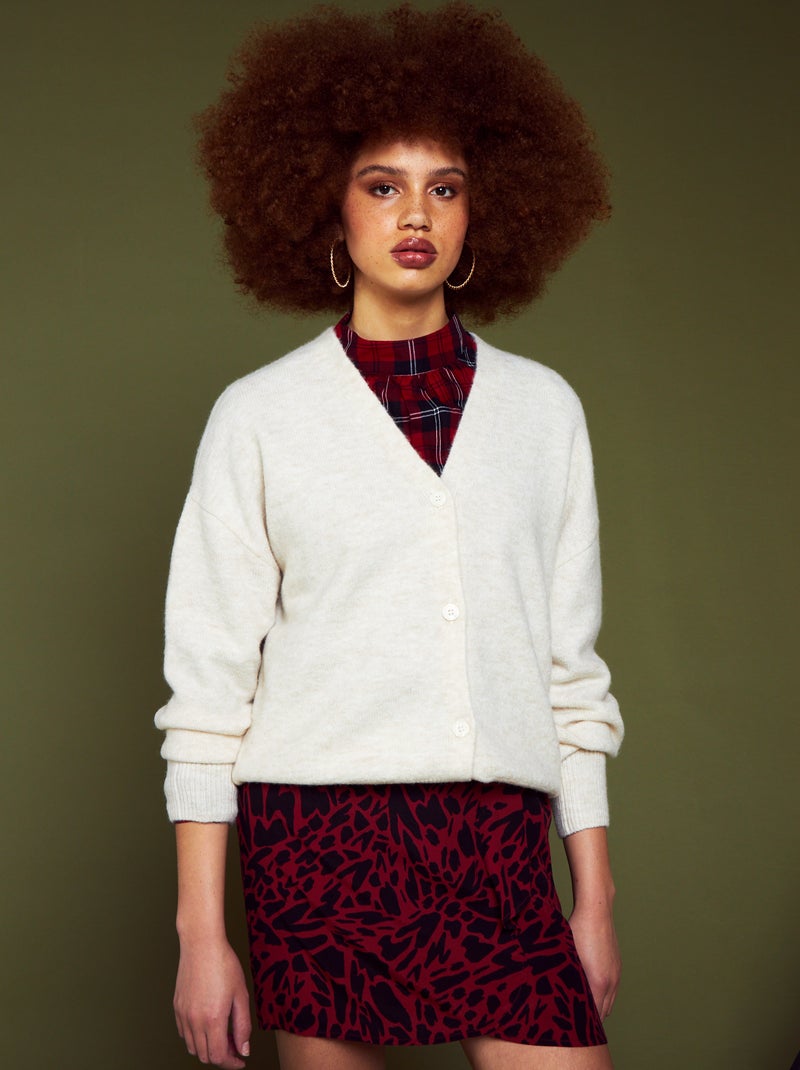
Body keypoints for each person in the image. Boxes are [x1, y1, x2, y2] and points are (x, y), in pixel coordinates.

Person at [154, 4, 625, 1069]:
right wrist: (201, 936)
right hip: (319, 846)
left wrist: (592, 897)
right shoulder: (259, 416)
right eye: (381, 185)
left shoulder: (543, 411)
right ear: (328, 205)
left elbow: (570, 676)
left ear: (481, 209)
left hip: (499, 845)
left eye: (443, 187)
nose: (415, 213)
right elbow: (208, 696)